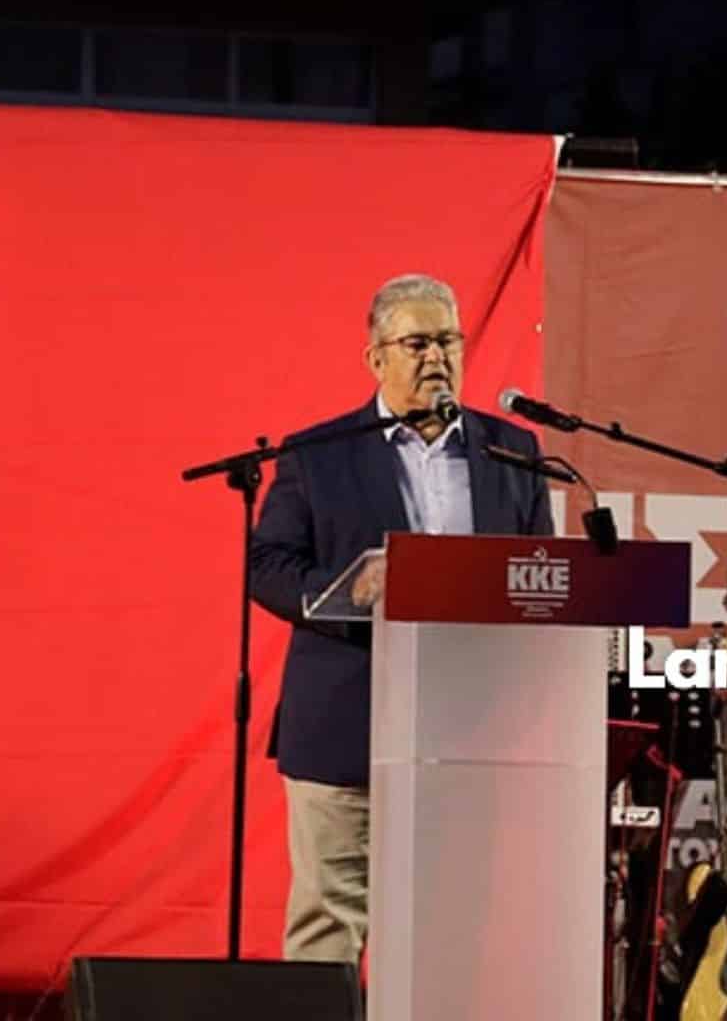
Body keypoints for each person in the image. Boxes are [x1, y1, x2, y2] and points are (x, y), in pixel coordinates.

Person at [248, 272, 554, 966]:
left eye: (448, 340)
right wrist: (350, 589)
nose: (436, 356)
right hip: (347, 723)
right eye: (417, 343)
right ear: (376, 358)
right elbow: (266, 566)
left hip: (466, 730)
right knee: (329, 927)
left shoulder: (513, 451)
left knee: (448, 930)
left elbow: (538, 573)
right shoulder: (317, 454)